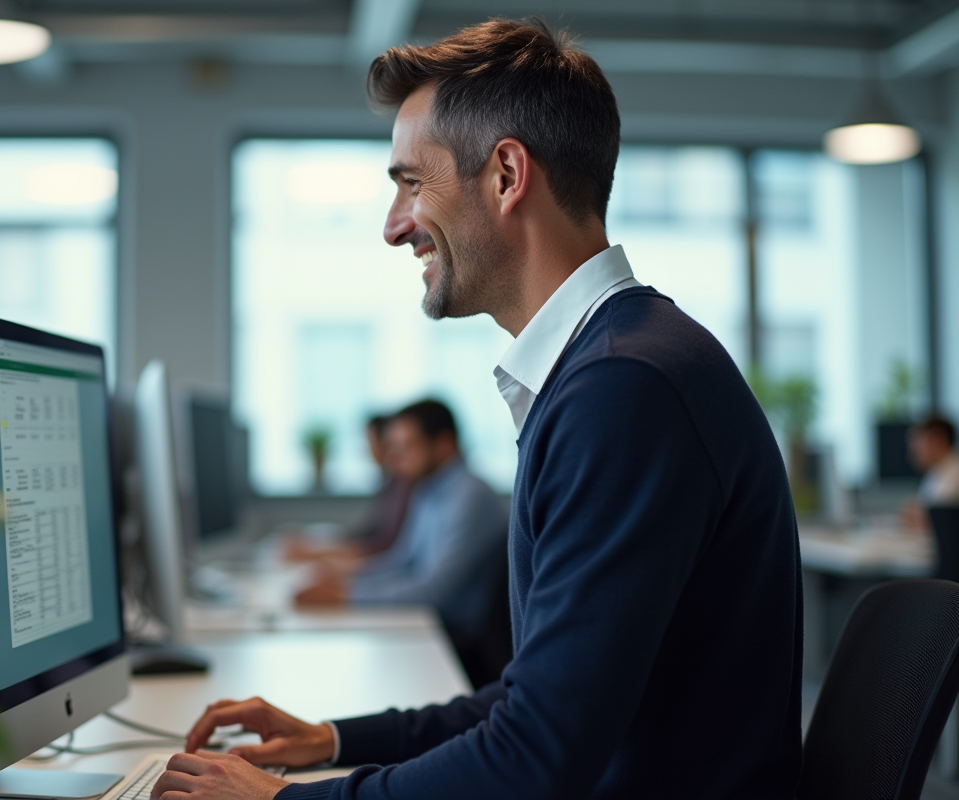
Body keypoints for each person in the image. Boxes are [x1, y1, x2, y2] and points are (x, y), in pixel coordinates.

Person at [151, 17, 801, 800]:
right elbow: (540, 700)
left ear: (504, 176)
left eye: (411, 183)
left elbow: (537, 758)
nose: (394, 227)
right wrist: (332, 741)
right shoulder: (610, 367)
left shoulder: (625, 390)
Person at [294, 400, 507, 663]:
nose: (395, 461)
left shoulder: (470, 497)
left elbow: (435, 591)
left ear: (444, 444)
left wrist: (349, 595)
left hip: (456, 643)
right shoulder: (426, 489)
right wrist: (346, 583)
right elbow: (402, 560)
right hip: (425, 627)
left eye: (407, 448)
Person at [284, 414, 412, 565]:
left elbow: (384, 546)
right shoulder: (391, 483)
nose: (368, 450)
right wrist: (319, 545)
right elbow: (369, 532)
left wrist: (318, 554)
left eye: (371, 443)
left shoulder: (407, 487)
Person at [904, 414, 959, 530]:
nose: (913, 451)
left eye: (917, 443)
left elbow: (936, 520)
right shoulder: (935, 472)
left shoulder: (955, 474)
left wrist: (919, 517)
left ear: (938, 440)